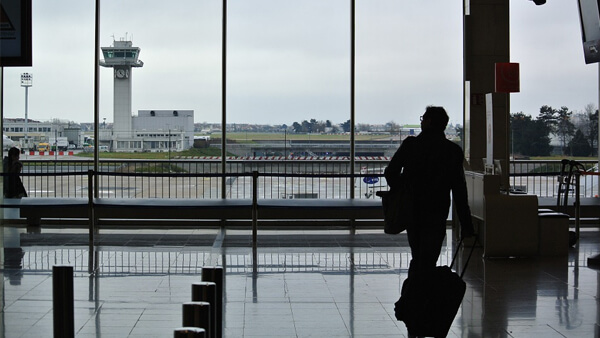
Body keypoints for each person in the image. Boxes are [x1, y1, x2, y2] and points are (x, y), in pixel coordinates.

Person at [384, 106, 474, 276]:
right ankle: (422, 293)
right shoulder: (452, 151)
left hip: (413, 209)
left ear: (429, 122)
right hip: (437, 211)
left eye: (423, 119)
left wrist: (404, 187)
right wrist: (466, 223)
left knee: (417, 254)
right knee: (429, 257)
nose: (421, 122)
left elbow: (390, 172)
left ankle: (413, 295)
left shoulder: (411, 145)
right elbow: (459, 189)